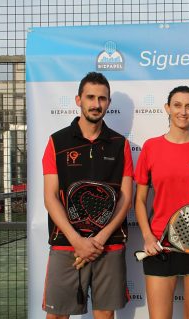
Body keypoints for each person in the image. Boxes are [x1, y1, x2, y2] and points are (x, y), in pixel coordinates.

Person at [42, 72, 133, 319]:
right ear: (78, 99)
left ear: (109, 103)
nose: (96, 104)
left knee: (104, 315)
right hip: (66, 243)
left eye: (102, 98)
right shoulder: (56, 142)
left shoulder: (120, 144)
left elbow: (126, 197)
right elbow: (50, 198)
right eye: (90, 97)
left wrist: (99, 239)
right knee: (58, 315)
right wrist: (77, 241)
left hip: (109, 242)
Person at [134, 85, 189, 319]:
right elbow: (140, 200)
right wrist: (148, 236)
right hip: (160, 244)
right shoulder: (151, 148)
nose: (183, 111)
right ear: (167, 108)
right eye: (178, 105)